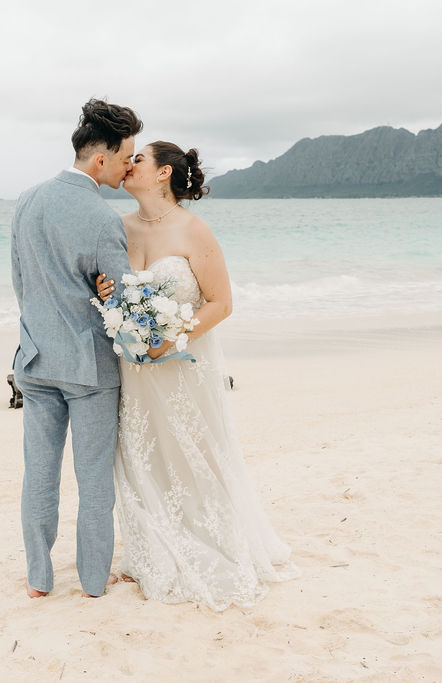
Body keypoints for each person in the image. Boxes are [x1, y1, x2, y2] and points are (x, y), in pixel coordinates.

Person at [95, 141, 297, 610]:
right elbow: (110, 293)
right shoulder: (118, 228)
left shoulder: (194, 230)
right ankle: (150, 551)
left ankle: (211, 542)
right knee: (143, 454)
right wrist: (106, 291)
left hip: (182, 365)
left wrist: (174, 336)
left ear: (163, 173)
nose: (128, 165)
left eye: (138, 159)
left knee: (193, 454)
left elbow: (221, 303)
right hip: (136, 369)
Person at [10, 99, 141, 599]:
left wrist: (38, 332)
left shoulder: (27, 199)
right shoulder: (103, 219)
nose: (130, 166)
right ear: (100, 158)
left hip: (35, 358)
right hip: (89, 368)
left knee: (38, 474)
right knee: (93, 480)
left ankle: (39, 577)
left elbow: (20, 282)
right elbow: (123, 300)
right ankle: (91, 581)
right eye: (126, 156)